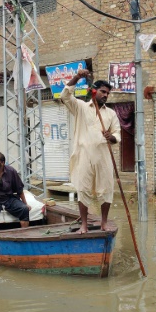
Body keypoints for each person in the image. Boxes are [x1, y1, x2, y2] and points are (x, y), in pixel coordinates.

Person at [61, 68, 121, 233]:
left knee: (107, 190)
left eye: (108, 93)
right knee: (83, 189)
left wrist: (112, 137)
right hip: (84, 156)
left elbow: (117, 134)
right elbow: (65, 96)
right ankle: (84, 225)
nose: (105, 95)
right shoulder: (80, 107)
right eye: (102, 92)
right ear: (94, 91)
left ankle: (103, 223)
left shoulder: (111, 114)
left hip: (103, 157)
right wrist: (77, 77)